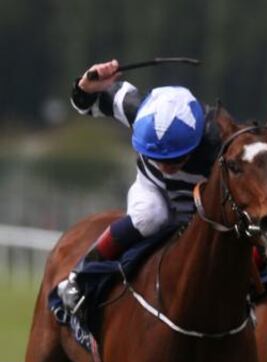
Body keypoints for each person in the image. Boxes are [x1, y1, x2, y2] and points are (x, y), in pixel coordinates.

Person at [56, 59, 221, 314]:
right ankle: (80, 276)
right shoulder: (136, 107)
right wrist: (85, 86)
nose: (166, 167)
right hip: (152, 188)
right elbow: (85, 104)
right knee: (151, 216)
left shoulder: (217, 139)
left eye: (175, 159)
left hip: (200, 203)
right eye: (158, 158)